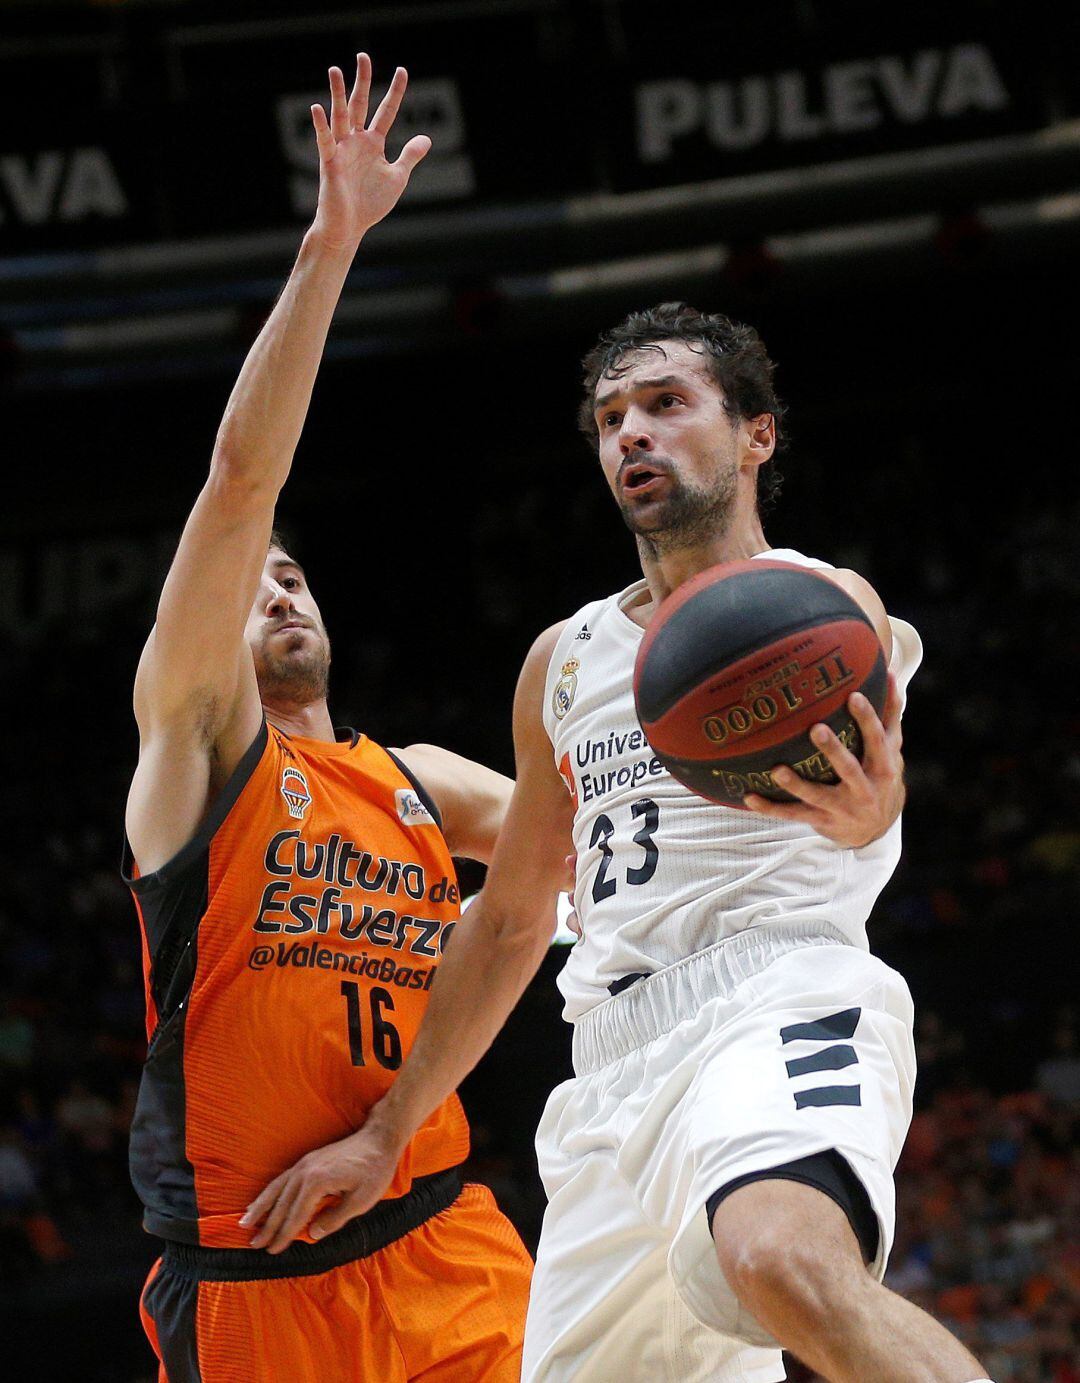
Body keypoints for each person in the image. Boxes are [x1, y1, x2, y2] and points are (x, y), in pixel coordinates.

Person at [248, 301, 998, 1382]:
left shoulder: (817, 606)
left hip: (775, 989)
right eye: (609, 417)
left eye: (665, 404)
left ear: (756, 435)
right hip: (606, 1065)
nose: (630, 434)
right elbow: (510, 918)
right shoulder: (563, 660)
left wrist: (873, 812)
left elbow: (873, 803)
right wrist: (387, 1130)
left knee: (783, 1260)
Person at [122, 57, 531, 1382]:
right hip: (264, 1292)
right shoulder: (196, 751)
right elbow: (243, 484)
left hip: (448, 1239)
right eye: (256, 582)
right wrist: (331, 245)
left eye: (297, 573)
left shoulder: (415, 781)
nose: (277, 582)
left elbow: (596, 837)